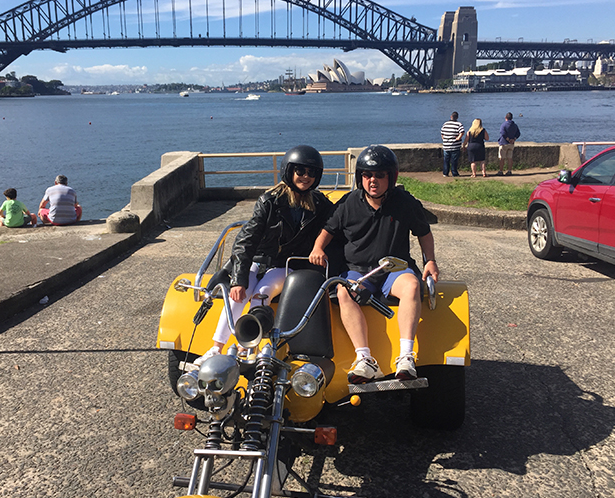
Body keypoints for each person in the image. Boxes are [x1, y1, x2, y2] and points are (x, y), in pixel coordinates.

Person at [309, 145, 439, 383]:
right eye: (367, 175)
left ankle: (406, 356)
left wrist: (429, 260)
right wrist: (318, 248)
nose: (373, 181)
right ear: (360, 178)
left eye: (380, 175)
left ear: (392, 177)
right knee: (343, 291)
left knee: (411, 286)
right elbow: (327, 230)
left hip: (394, 269)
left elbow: (424, 232)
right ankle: (364, 358)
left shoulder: (404, 202)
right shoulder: (348, 203)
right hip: (359, 272)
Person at [194, 145, 334, 365]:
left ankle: (246, 346)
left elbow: (337, 221)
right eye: (300, 171)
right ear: (289, 171)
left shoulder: (319, 204)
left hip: (284, 264)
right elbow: (245, 241)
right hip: (257, 260)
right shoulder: (269, 200)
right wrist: (238, 280)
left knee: (263, 293)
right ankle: (216, 347)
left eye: (311, 173)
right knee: (238, 292)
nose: (306, 177)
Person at [440, 111, 464, 177]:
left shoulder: (445, 124)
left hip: (446, 146)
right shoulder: (459, 124)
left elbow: (442, 133)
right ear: (457, 117)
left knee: (446, 160)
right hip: (455, 146)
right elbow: (462, 132)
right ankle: (454, 173)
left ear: (451, 117)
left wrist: (444, 139)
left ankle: (445, 173)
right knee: (454, 161)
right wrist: (458, 138)